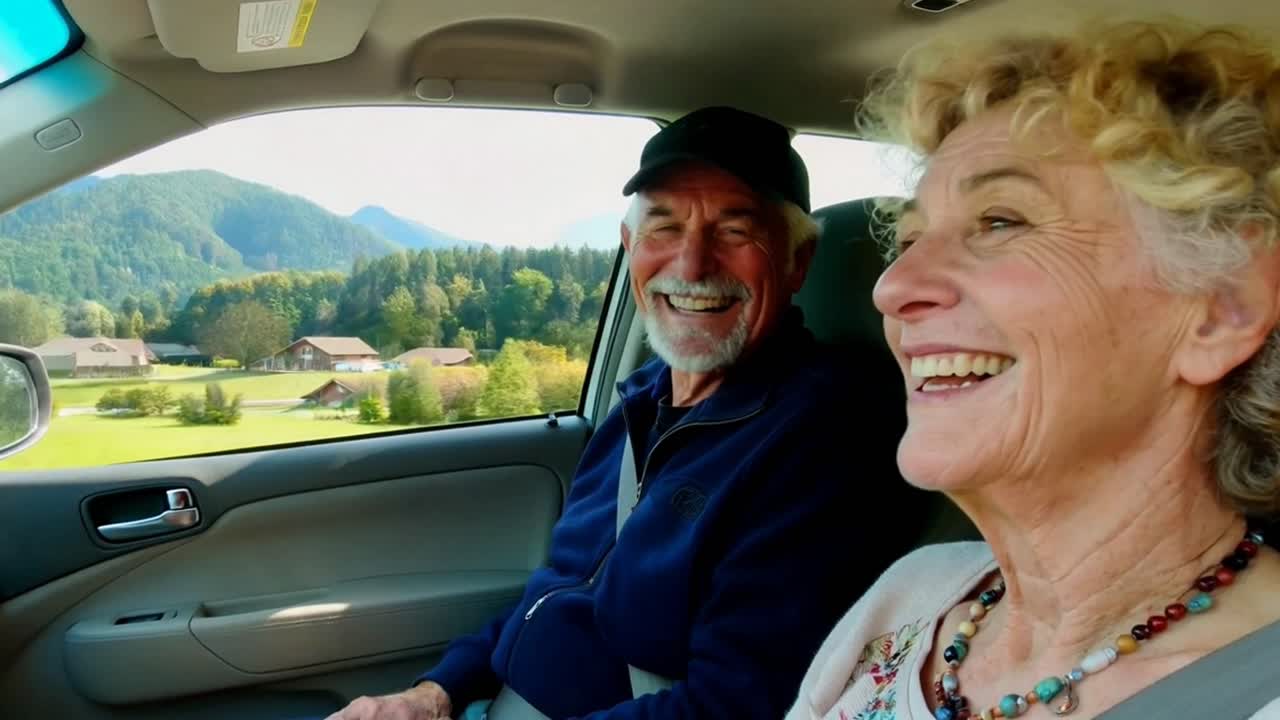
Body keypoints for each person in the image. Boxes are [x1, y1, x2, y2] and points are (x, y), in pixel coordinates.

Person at [326, 106, 920, 720]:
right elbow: (558, 588)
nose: (692, 266)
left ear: (797, 261)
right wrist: (434, 693)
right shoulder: (642, 400)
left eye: (736, 231)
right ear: (629, 245)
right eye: (663, 228)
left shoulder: (824, 437)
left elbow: (733, 706)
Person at [785, 17, 1280, 720]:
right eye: (911, 237)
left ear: (1223, 309)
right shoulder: (912, 597)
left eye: (1000, 221)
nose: (891, 287)